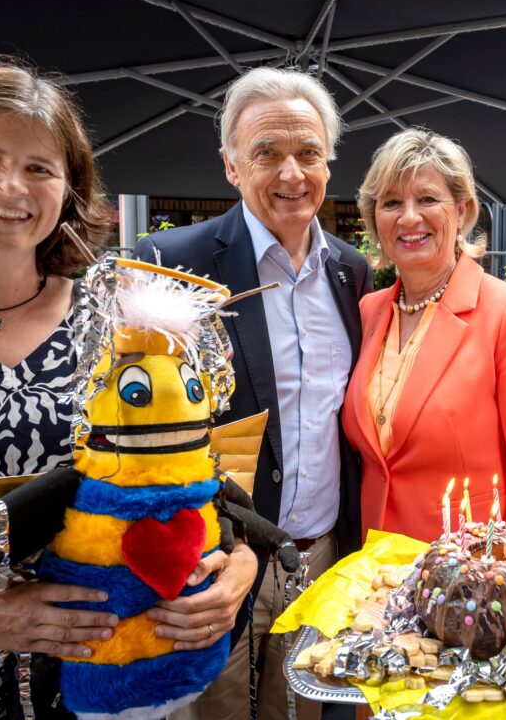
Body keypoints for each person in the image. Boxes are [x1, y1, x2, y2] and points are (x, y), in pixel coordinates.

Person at [0, 60, 257, 719]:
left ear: (68, 188)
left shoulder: (129, 332)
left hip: (118, 692)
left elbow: (195, 475)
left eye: (40, 167)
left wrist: (236, 570)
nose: (11, 185)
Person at [135, 66, 370, 720]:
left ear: (328, 162)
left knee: (315, 709)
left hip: (324, 556)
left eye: (307, 153)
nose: (291, 173)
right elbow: (132, 433)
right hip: (214, 559)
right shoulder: (169, 267)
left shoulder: (353, 273)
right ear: (232, 166)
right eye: (267, 153)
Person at [342, 128, 506, 540]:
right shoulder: (367, 312)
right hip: (371, 576)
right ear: (375, 220)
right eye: (391, 203)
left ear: (461, 210)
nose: (409, 217)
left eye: (427, 199)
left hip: (469, 583)